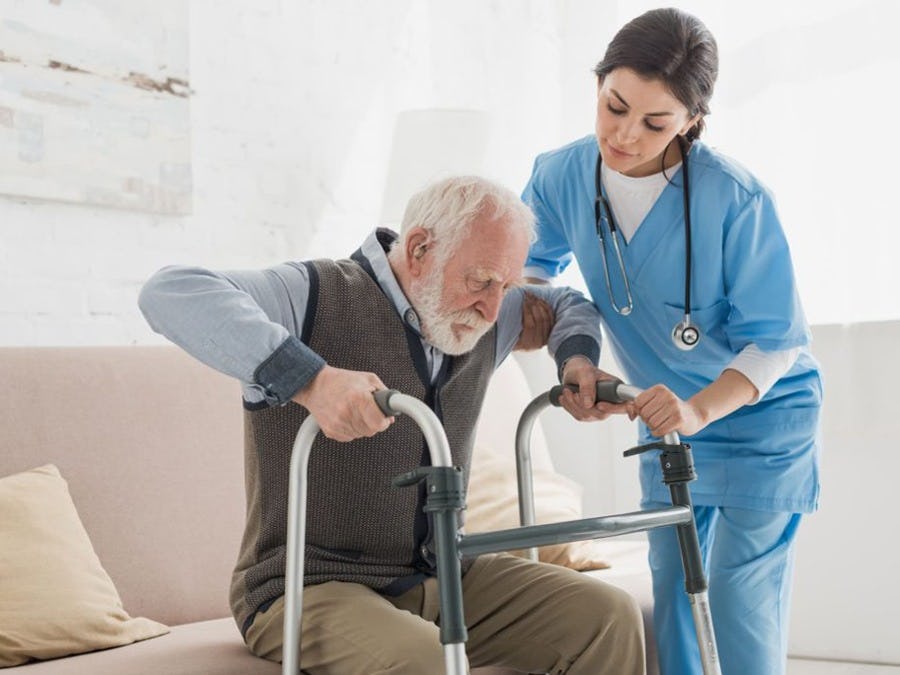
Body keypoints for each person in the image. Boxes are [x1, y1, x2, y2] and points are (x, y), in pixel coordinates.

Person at [139, 175, 645, 675]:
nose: (494, 307)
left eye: (506, 285)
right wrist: (312, 381)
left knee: (607, 617)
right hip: (306, 586)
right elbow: (170, 291)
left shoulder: (482, 317)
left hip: (441, 572)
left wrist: (576, 360)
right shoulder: (314, 295)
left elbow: (563, 303)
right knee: (423, 657)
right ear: (421, 248)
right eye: (481, 281)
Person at [520, 8, 823, 675]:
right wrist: (574, 356)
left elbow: (774, 343)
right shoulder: (560, 175)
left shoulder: (737, 199)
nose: (625, 135)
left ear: (692, 120)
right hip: (665, 421)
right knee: (677, 593)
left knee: (739, 601)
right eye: (614, 106)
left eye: (655, 123)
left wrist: (699, 409)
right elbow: (529, 274)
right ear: (597, 83)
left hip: (761, 417)